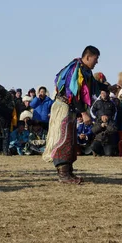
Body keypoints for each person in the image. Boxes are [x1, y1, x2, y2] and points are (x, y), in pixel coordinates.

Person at [42, 46, 108, 184]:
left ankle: (68, 172)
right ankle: (63, 174)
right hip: (63, 108)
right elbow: (73, 93)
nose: (97, 62)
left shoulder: (85, 71)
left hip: (69, 109)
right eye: (96, 59)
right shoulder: (75, 70)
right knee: (63, 140)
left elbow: (93, 85)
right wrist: (84, 113)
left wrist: (109, 88)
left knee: (70, 140)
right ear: (88, 57)